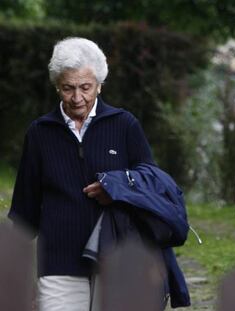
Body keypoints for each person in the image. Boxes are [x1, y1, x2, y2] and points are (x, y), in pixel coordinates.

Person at [8, 37, 156, 310]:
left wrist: (116, 187)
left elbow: (151, 183)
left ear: (99, 85)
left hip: (116, 259)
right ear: (57, 87)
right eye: (68, 88)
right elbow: (24, 212)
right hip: (58, 263)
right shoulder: (40, 133)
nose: (77, 98)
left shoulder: (125, 125)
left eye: (85, 87)